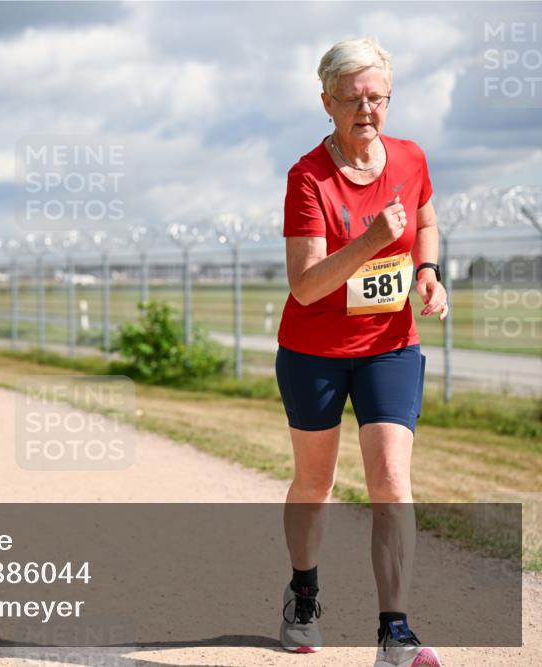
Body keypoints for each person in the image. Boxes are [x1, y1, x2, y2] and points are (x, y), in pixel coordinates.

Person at [275, 38, 447, 667]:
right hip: (313, 352)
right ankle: (304, 591)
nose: (367, 110)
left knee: (392, 480)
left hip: (389, 346)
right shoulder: (307, 178)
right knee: (316, 481)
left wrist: (427, 271)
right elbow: (306, 283)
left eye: (377, 98)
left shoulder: (410, 157)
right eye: (353, 99)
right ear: (327, 102)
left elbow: (425, 219)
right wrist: (374, 239)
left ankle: (394, 633)